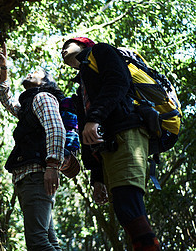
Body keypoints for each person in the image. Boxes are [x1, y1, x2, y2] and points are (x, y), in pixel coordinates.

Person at [61, 37, 160, 250]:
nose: (63, 49)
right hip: (110, 146)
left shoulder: (102, 52)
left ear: (85, 44)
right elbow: (85, 131)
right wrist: (97, 177)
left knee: (129, 202)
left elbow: (118, 82)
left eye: (68, 43)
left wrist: (94, 117)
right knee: (126, 210)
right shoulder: (82, 84)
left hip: (127, 132)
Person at [0, 43, 65, 250]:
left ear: (44, 82)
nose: (29, 72)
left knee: (38, 243)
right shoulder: (29, 104)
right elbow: (5, 99)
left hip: (36, 176)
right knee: (48, 241)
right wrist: (4, 68)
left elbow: (56, 128)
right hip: (30, 177)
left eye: (35, 72)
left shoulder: (42, 97)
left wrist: (52, 166)